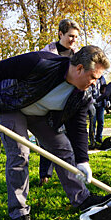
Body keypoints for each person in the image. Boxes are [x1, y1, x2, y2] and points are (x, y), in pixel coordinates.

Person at [0, 46, 111, 220]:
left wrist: (83, 161)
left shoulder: (83, 95)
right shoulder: (40, 62)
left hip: (40, 114)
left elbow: (78, 127)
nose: (96, 83)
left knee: (63, 148)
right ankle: (19, 211)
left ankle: (82, 199)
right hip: (12, 106)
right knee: (20, 154)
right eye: (94, 77)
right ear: (79, 68)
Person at [38, 18, 81, 184]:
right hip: (49, 102)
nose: (73, 40)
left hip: (69, 103)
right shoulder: (47, 53)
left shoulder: (77, 56)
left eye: (76, 37)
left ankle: (73, 172)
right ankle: (45, 175)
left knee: (71, 138)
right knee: (48, 139)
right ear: (60, 34)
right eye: (70, 36)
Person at [88, 75, 107, 149]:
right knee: (93, 122)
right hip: (92, 103)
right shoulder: (90, 77)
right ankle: (93, 140)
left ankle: (99, 138)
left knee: (101, 121)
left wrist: (107, 100)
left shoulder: (102, 78)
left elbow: (105, 90)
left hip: (101, 104)